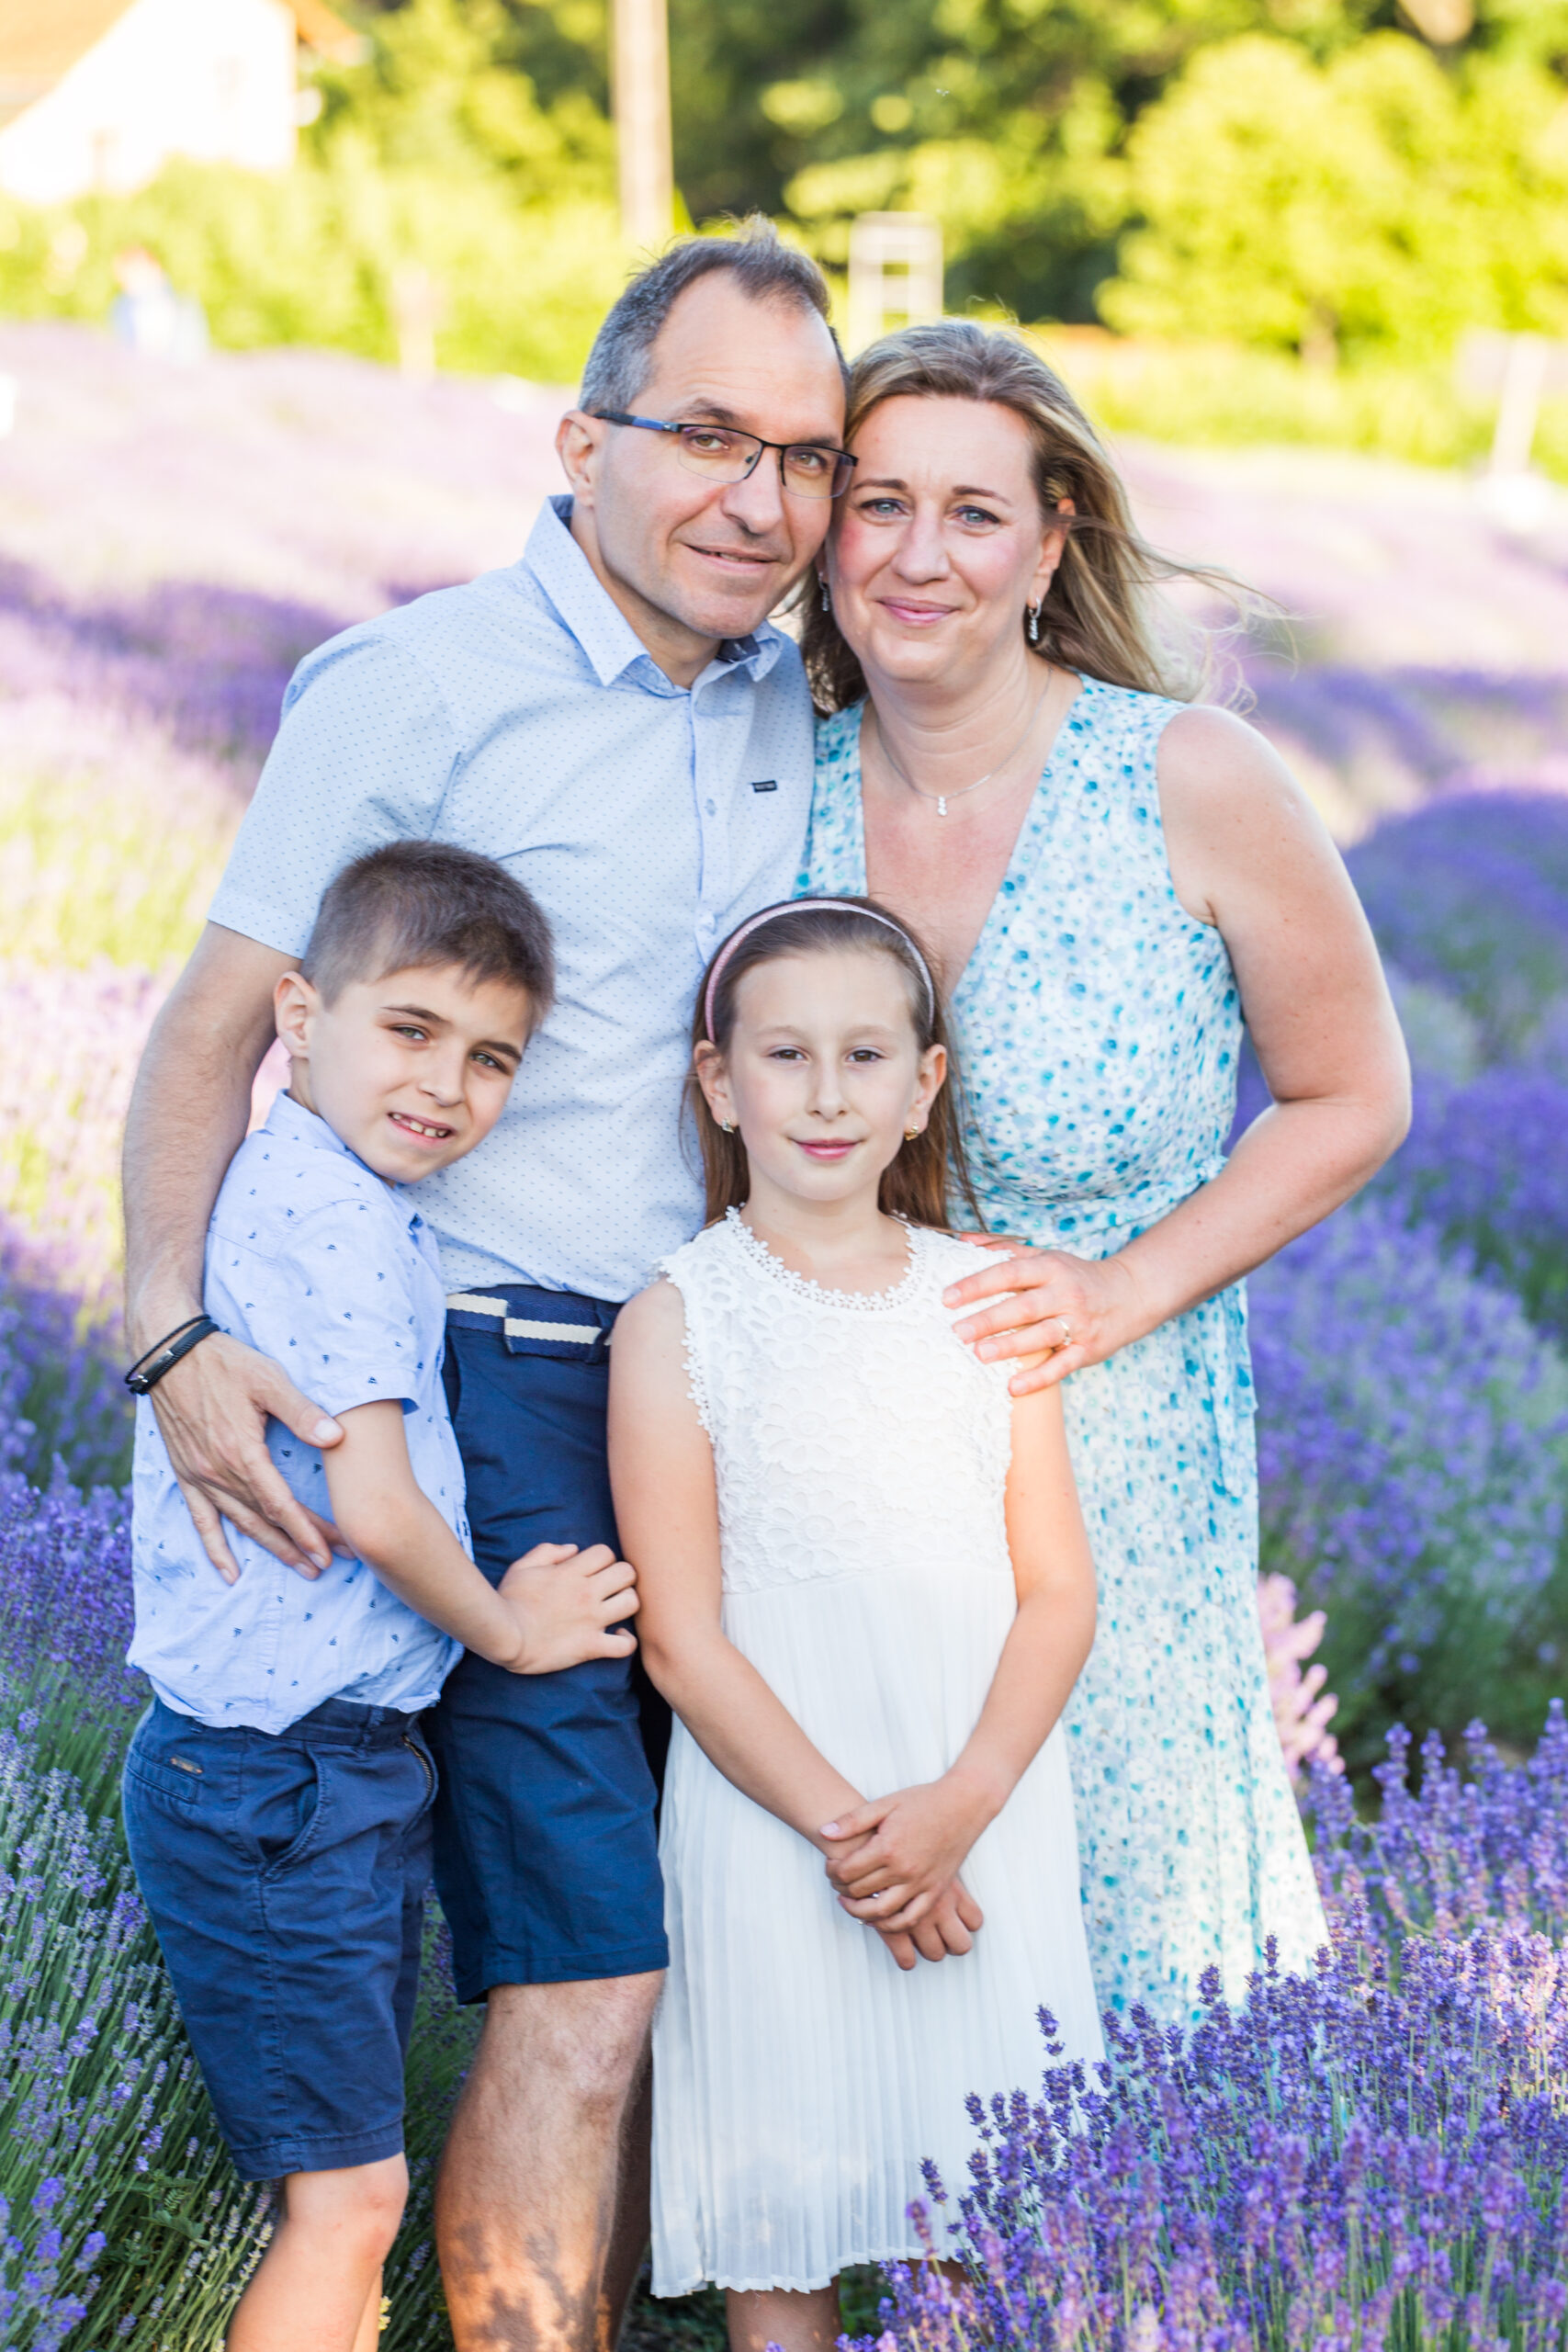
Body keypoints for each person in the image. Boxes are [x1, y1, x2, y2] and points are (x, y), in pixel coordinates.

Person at [118, 220, 852, 2352]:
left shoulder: (794, 701)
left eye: (804, 456)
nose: (758, 499)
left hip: (731, 1385)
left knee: (722, 1950)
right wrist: (168, 1326)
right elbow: (217, 1021)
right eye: (706, 435)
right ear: (581, 440)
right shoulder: (420, 686)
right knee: (582, 1966)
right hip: (495, 1378)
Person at [798, 321, 1412, 2025]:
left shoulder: (1185, 776)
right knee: (852, 1964)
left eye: (974, 514)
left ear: (1054, 540)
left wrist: (1124, 1289)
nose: (918, 555)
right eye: (877, 502)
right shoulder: (765, 776)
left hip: (1118, 1458)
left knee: (1131, 1968)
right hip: (823, 1470)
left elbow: (1353, 1094)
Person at [123, 843, 641, 2352]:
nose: (446, 1085)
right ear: (299, 1015)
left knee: (350, 2191)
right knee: (346, 2203)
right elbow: (378, 1508)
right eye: (410, 1030)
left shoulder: (332, 1189)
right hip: (279, 1779)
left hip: (314, 1773)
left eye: (491, 1058)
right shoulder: (330, 1215)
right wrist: (512, 1628)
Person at [608, 899, 1105, 2352]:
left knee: (985, 2225)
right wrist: (862, 1842)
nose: (827, 1094)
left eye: (866, 1055)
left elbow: (1059, 1592)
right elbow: (683, 1640)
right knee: (790, 2212)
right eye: (786, 1055)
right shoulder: (677, 1318)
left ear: (923, 1085)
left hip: (980, 1808)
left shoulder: (986, 1303)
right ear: (719, 1083)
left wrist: (957, 1808)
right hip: (781, 1817)